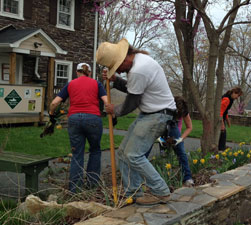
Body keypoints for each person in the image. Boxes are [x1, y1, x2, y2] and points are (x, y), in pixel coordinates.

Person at [96, 38, 176, 205]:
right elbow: (132, 89)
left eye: (117, 67)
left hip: (158, 115)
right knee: (123, 153)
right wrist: (116, 81)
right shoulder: (138, 63)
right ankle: (135, 194)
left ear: (124, 59)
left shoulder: (139, 69)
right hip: (150, 113)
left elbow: (132, 102)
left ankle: (161, 191)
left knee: (133, 154)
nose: (119, 71)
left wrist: (114, 110)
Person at [49, 63, 108, 193]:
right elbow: (107, 102)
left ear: (77, 72)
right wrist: (113, 116)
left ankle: (75, 189)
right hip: (93, 119)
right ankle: (92, 185)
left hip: (74, 119)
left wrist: (51, 115)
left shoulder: (70, 84)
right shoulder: (96, 84)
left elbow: (54, 102)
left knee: (77, 154)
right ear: (90, 72)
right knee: (95, 150)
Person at [146, 96, 194, 187]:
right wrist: (159, 139)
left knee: (182, 153)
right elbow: (153, 128)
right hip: (160, 129)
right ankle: (148, 175)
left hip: (175, 133)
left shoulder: (184, 111)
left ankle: (187, 178)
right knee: (161, 154)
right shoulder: (163, 110)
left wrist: (180, 139)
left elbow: (189, 127)